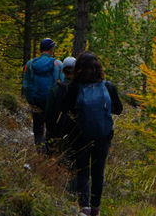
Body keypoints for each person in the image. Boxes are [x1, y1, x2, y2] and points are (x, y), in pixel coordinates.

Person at [60, 52, 123, 216]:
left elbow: (65, 108)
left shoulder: (74, 87)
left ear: (79, 69)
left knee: (82, 170)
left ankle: (84, 207)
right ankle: (96, 209)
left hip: (81, 135)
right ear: (98, 68)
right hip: (103, 135)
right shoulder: (108, 86)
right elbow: (118, 109)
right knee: (98, 172)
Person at [21, 38, 62, 147]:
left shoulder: (30, 64)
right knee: (51, 128)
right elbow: (62, 85)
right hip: (52, 103)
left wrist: (31, 102)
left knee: (38, 130)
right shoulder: (57, 64)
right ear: (51, 49)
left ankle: (39, 152)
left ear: (40, 50)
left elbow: (26, 85)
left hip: (36, 101)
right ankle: (49, 152)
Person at [45, 56, 76, 160]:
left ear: (63, 71)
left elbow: (48, 112)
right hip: (73, 134)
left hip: (56, 131)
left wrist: (50, 130)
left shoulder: (54, 89)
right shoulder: (81, 90)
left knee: (52, 157)